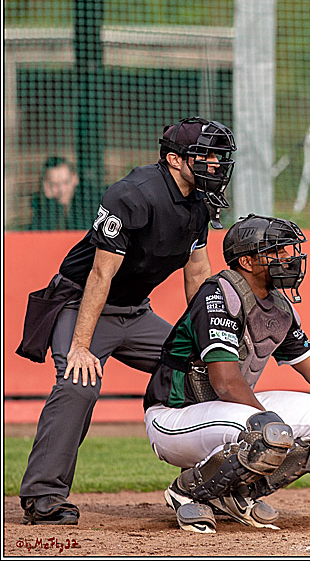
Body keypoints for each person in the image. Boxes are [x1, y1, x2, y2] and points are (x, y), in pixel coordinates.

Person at [17, 117, 237, 526]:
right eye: (204, 155)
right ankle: (43, 496)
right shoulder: (133, 194)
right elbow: (100, 275)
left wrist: (205, 340)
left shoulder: (201, 202)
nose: (215, 164)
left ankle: (209, 487)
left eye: (218, 156)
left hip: (135, 311)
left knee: (203, 371)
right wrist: (80, 346)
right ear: (174, 160)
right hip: (82, 303)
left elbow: (197, 272)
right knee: (78, 383)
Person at [143, 214, 310, 533]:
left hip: (227, 414)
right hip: (174, 417)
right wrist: (274, 431)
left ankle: (236, 494)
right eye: (275, 251)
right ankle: (187, 492)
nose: (288, 257)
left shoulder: (279, 307)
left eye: (287, 249)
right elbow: (225, 383)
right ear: (247, 261)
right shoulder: (220, 295)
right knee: (270, 430)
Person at [26, 156, 93, 231]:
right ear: (47, 185)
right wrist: (50, 200)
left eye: (66, 182)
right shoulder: (41, 206)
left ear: (75, 179)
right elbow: (37, 232)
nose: (61, 190)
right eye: (55, 184)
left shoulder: (88, 203)